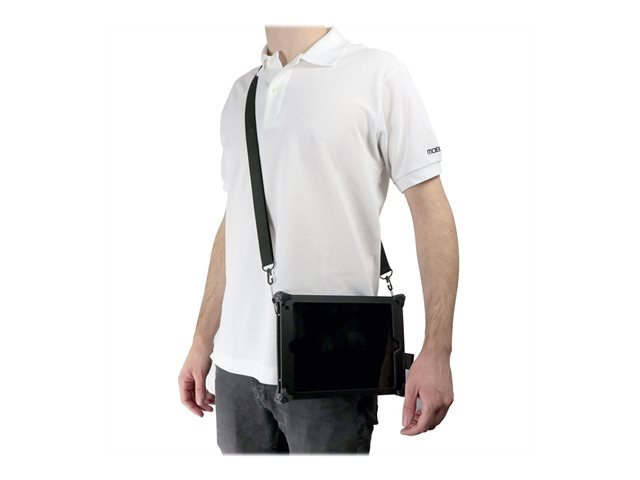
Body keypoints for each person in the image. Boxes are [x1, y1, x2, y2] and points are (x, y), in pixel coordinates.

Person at [178, 25, 459, 454]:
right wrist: (202, 341)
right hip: (235, 370)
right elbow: (236, 220)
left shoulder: (377, 73)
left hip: (332, 368)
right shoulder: (242, 91)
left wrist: (438, 349)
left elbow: (430, 208)